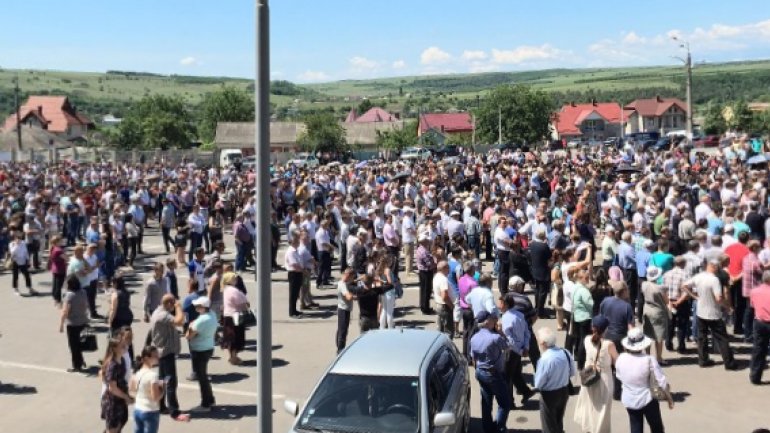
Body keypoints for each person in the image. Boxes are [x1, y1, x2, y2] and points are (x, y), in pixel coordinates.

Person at [681, 258, 738, 370]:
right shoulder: (714, 280)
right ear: (715, 267)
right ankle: (729, 362)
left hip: (701, 311)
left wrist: (695, 297)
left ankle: (703, 360)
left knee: (702, 337)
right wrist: (727, 307)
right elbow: (718, 298)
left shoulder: (699, 276)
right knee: (722, 338)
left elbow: (684, 285)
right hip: (714, 313)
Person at [615, 327, 673, 433]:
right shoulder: (649, 359)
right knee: (657, 428)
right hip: (648, 399)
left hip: (629, 398)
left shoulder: (621, 358)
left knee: (635, 427)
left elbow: (619, 376)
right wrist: (669, 398)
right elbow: (662, 381)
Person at [573, 315, 619, 433]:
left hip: (589, 376)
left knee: (590, 406)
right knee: (602, 409)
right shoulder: (609, 344)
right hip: (604, 379)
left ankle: (589, 429)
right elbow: (617, 361)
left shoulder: (587, 339)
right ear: (605, 329)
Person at [469, 310, 512, 433]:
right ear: (487, 322)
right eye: (493, 319)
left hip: (480, 372)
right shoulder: (495, 337)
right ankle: (499, 428)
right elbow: (508, 345)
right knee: (505, 403)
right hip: (493, 374)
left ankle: (487, 429)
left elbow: (473, 358)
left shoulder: (474, 338)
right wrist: (500, 331)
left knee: (486, 402)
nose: (495, 321)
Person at [148, 294, 189, 422]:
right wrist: (178, 307)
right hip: (166, 353)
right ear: (169, 304)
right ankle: (174, 411)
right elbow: (180, 321)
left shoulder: (159, 311)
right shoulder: (163, 315)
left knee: (163, 381)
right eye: (173, 304)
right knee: (171, 382)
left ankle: (161, 406)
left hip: (163, 352)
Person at [534, 327, 574, 433]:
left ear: (543, 343)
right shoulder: (565, 352)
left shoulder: (544, 359)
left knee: (548, 426)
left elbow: (538, 383)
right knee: (558, 421)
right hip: (564, 391)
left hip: (549, 395)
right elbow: (573, 372)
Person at [500, 294, 534, 407]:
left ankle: (510, 402)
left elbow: (509, 339)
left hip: (510, 351)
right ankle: (526, 391)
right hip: (519, 349)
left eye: (500, 303)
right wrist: (525, 347)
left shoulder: (506, 318)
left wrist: (519, 350)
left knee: (506, 377)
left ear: (505, 304)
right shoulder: (520, 315)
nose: (498, 305)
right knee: (515, 374)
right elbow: (526, 332)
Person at [186, 296, 218, 412]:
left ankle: (205, 404)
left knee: (202, 378)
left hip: (199, 350)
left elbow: (188, 336)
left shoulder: (201, 320)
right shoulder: (212, 315)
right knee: (203, 376)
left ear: (203, 307)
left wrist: (190, 326)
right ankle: (210, 399)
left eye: (197, 306)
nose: (195, 307)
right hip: (208, 347)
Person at [100, 338, 132, 433]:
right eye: (122, 346)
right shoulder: (113, 365)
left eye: (125, 345)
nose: (125, 347)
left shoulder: (121, 359)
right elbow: (112, 388)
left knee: (119, 426)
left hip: (119, 400)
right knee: (113, 430)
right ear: (114, 348)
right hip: (113, 402)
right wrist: (126, 397)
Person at [130, 345, 164, 433]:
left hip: (138, 409)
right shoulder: (152, 375)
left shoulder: (137, 372)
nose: (158, 358)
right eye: (155, 356)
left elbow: (131, 392)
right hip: (150, 411)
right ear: (146, 358)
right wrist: (162, 389)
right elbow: (155, 397)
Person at [59, 274, 89, 372]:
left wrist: (61, 324)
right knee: (80, 343)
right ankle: (80, 360)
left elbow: (65, 311)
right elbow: (86, 305)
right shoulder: (83, 292)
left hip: (73, 323)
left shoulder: (69, 295)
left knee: (73, 345)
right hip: (83, 321)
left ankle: (77, 365)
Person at [640, 266, 670, 364]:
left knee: (647, 335)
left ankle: (647, 357)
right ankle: (659, 358)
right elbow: (666, 301)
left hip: (647, 310)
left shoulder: (644, 285)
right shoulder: (661, 288)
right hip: (658, 312)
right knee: (659, 336)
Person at [221, 274, 250, 365]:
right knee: (236, 337)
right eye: (234, 278)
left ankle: (232, 356)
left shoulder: (225, 289)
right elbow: (243, 303)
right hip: (235, 316)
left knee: (229, 337)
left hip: (227, 315)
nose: (236, 280)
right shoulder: (234, 290)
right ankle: (234, 357)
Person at [750, 270, 770, 384]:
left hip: (759, 322)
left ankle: (755, 376)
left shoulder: (754, 291)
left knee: (758, 349)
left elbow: (753, 305)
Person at [529, 228, 553, 318]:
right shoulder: (544, 246)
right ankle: (541, 311)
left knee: (537, 290)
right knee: (542, 292)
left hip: (535, 270)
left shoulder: (533, 244)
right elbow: (549, 257)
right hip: (543, 271)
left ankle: (537, 308)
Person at [335, 268, 357, 353]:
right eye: (352, 277)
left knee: (340, 329)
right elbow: (348, 297)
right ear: (349, 276)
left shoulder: (343, 282)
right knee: (343, 331)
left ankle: (339, 345)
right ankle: (340, 350)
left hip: (343, 309)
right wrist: (357, 296)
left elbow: (352, 281)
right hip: (344, 310)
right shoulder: (343, 285)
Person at [433, 260, 455, 336]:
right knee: (448, 331)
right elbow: (444, 296)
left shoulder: (436, 276)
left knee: (440, 329)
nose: (449, 270)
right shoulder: (443, 279)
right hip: (445, 307)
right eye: (448, 268)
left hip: (439, 305)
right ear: (444, 268)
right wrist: (451, 305)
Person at [284, 233, 304, 318]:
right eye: (296, 241)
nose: (298, 242)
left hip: (298, 273)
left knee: (296, 294)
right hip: (294, 273)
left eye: (298, 240)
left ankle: (295, 310)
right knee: (293, 294)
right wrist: (303, 270)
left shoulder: (296, 250)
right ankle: (292, 312)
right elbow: (294, 265)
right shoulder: (290, 251)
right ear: (292, 242)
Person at [48, 234, 67, 307]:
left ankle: (55, 299)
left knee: (55, 285)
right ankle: (58, 301)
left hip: (55, 268)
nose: (61, 242)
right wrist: (65, 253)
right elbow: (66, 258)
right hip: (60, 269)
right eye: (60, 241)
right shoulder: (58, 250)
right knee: (59, 286)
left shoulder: (53, 248)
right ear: (57, 242)